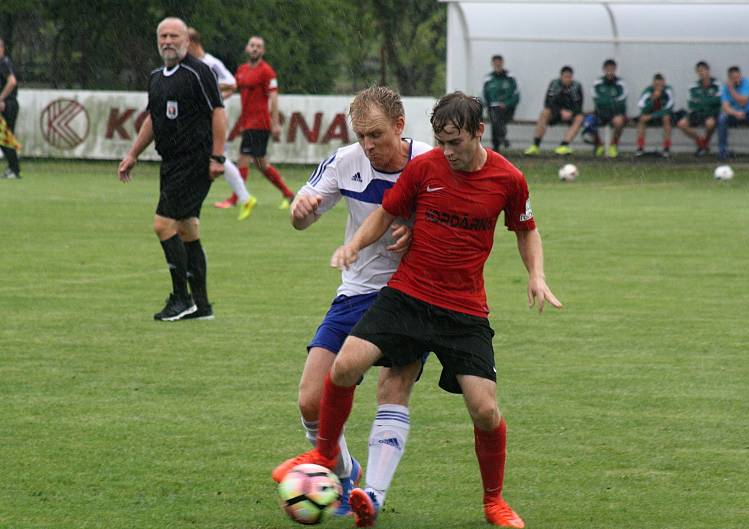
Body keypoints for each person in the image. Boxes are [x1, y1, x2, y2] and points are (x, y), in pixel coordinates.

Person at [273, 92, 562, 529]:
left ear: (477, 133)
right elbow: (388, 213)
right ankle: (334, 462)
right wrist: (351, 243)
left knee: (483, 409)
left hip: (463, 309)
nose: (448, 152)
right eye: (442, 142)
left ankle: (493, 501)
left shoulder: (507, 177)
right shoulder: (423, 169)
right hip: (404, 296)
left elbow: (526, 228)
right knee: (342, 369)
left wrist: (536, 275)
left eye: (456, 142)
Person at [285, 85, 432, 517]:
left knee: (391, 387)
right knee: (312, 399)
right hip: (355, 293)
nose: (368, 145)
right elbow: (306, 209)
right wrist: (301, 212)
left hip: (410, 295)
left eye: (376, 135)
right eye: (361, 135)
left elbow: (453, 222)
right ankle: (343, 471)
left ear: (400, 126)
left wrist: (419, 233)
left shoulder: (428, 163)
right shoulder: (347, 161)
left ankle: (373, 494)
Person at [117, 17, 225, 321]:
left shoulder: (198, 72)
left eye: (173, 35)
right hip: (171, 162)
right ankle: (201, 306)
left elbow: (218, 112)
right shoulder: (156, 76)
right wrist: (133, 153)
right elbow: (153, 118)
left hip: (194, 160)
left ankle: (182, 298)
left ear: (186, 40)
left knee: (163, 225)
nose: (167, 40)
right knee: (187, 229)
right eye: (163, 36)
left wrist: (217, 157)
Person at [187, 28, 257, 221]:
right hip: (201, 118)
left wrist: (212, 94)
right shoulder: (193, 63)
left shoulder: (211, 63)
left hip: (214, 118)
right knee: (214, 157)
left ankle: (244, 197)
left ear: (192, 43)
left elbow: (232, 83)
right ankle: (244, 198)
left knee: (215, 157)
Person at [216, 36, 294, 210]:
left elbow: (273, 97)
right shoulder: (242, 70)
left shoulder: (267, 71)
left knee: (242, 160)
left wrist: (275, 124)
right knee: (261, 164)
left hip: (259, 124)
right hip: (248, 123)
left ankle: (236, 199)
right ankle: (289, 194)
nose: (255, 49)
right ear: (247, 48)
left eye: (258, 46)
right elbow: (233, 88)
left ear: (263, 51)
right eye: (252, 45)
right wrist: (215, 99)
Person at [524, 65, 583, 156]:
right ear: (561, 76)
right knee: (544, 113)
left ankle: (564, 145)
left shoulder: (577, 86)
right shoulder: (554, 84)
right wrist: (560, 111)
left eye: (569, 77)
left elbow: (579, 105)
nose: (567, 79)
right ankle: (535, 145)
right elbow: (548, 103)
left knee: (580, 117)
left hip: (570, 115)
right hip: (556, 113)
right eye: (565, 77)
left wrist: (571, 112)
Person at [675, 61, 721, 156]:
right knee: (681, 124)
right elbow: (691, 104)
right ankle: (701, 140)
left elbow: (718, 101)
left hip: (712, 113)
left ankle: (704, 144)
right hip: (697, 113)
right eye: (698, 71)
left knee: (710, 124)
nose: (701, 73)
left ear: (708, 71)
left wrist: (702, 101)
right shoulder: (693, 86)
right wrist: (708, 101)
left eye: (703, 70)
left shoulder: (718, 85)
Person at [718, 66, 749, 160]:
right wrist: (735, 113)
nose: (736, 80)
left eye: (738, 77)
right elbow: (725, 107)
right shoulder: (725, 88)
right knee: (721, 118)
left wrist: (731, 89)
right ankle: (722, 152)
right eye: (733, 78)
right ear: (729, 78)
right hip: (735, 112)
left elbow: (743, 101)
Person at [590, 59, 627, 158]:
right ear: (604, 70)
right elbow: (596, 100)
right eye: (608, 69)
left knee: (619, 121)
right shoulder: (598, 83)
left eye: (612, 69)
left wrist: (606, 100)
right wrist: (610, 100)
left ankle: (613, 145)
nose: (610, 72)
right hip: (600, 113)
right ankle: (599, 145)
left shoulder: (621, 83)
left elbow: (621, 101)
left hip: (615, 113)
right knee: (589, 122)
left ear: (615, 70)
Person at [482, 55, 519, 152]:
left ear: (502, 63)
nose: (497, 64)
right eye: (495, 62)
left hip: (507, 108)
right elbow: (485, 96)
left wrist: (506, 103)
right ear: (492, 64)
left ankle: (496, 145)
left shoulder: (510, 78)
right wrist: (487, 105)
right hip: (493, 108)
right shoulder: (488, 79)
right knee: (495, 114)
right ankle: (502, 138)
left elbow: (516, 96)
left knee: (495, 116)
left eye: (499, 62)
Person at [635, 73, 675, 158]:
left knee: (666, 117)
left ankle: (666, 148)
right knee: (642, 118)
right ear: (653, 84)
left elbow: (668, 109)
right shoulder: (648, 91)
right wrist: (652, 99)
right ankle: (640, 148)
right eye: (656, 85)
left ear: (664, 83)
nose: (658, 87)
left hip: (661, 117)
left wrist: (652, 116)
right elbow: (642, 107)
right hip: (651, 117)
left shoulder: (668, 91)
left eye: (660, 85)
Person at [0, 37, 21, 179]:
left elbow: (12, 82)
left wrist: (1, 98)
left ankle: (14, 169)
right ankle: (13, 168)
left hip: (8, 104)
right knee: (5, 137)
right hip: (7, 104)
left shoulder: (4, 63)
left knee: (5, 137)